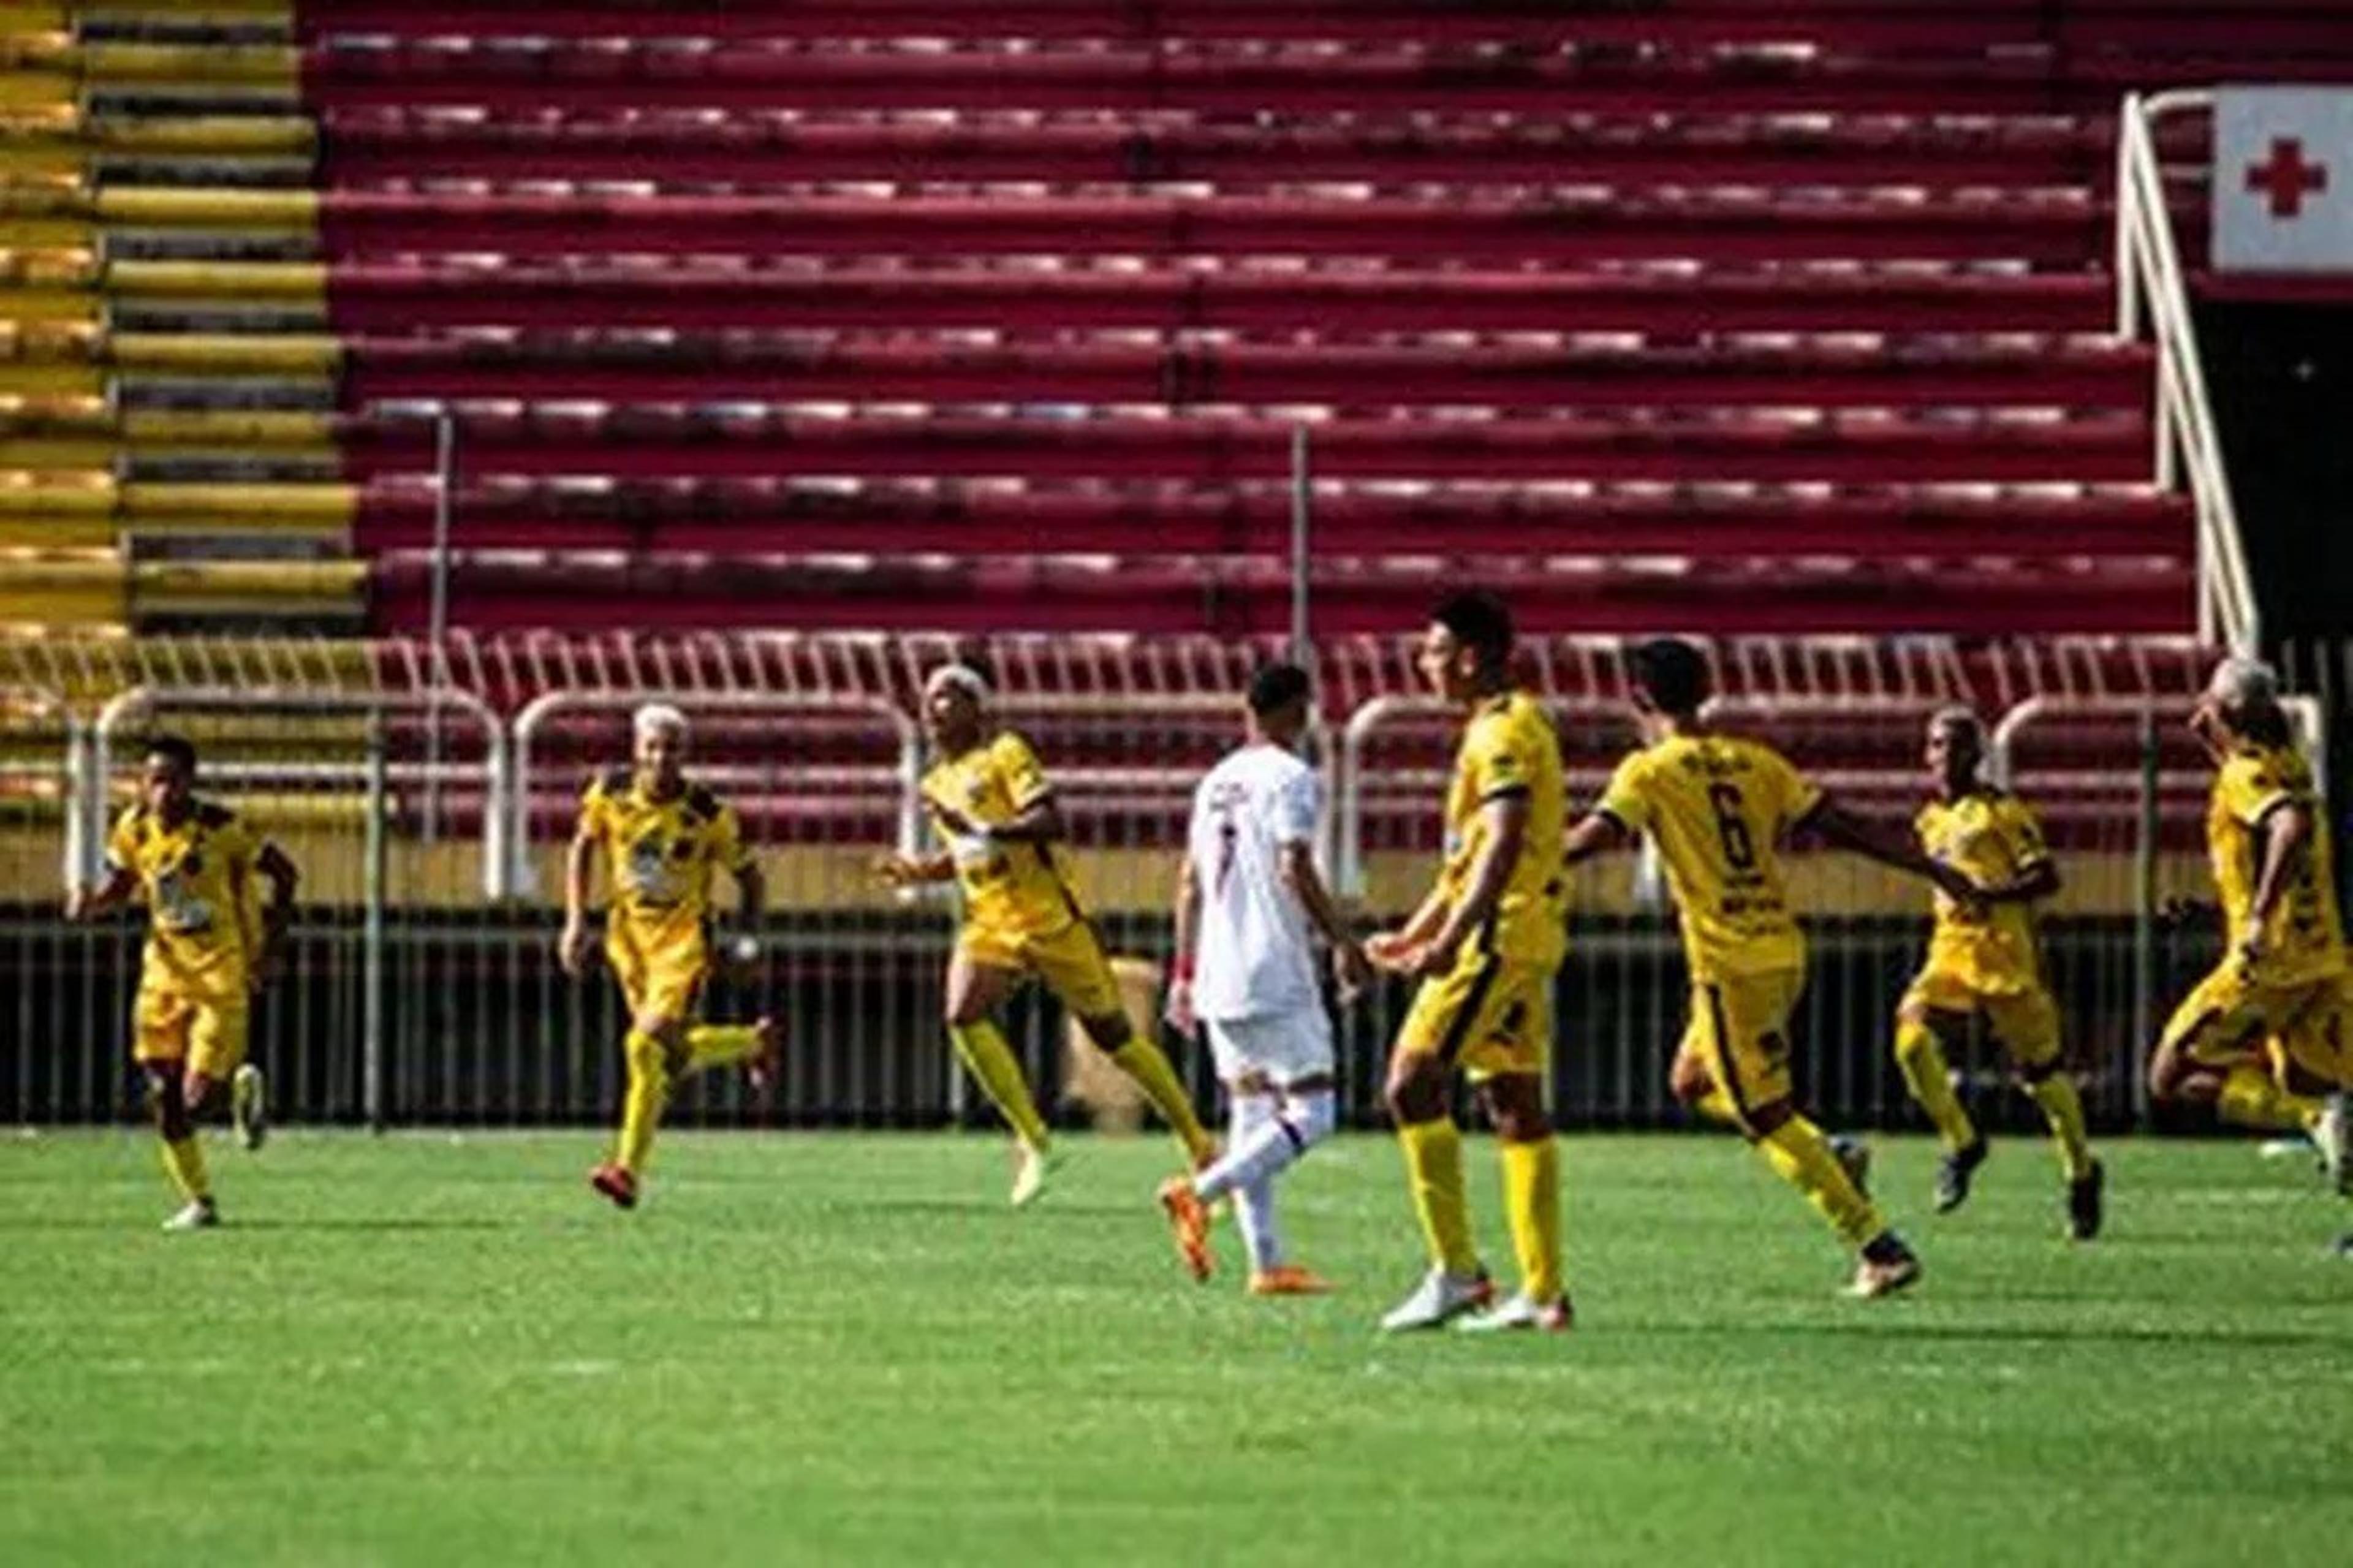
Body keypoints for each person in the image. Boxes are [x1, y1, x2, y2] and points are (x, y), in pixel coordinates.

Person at [1560, 638, 1973, 1298]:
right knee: (1693, 1080)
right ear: (1707, 688)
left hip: (1731, 965)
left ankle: (1877, 1244)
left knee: (1764, 1115)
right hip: (1781, 948)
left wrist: (1523, 863)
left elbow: (1596, 839)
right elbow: (1843, 826)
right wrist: (1928, 865)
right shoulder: (1757, 762)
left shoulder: (1648, 770)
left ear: (1638, 698)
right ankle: (1831, 1154)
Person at [875, 664, 1216, 1205]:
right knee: (962, 1011)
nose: (930, 708)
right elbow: (970, 853)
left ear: (976, 706)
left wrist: (982, 829)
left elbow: (1048, 820)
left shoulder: (1006, 752)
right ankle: (1034, 1139)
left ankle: (1198, 1142)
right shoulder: (936, 781)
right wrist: (924, 869)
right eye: (926, 699)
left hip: (1051, 916)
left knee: (1116, 1040)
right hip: (992, 920)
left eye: (945, 697)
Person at [1368, 591, 1572, 1333]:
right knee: (1514, 1103)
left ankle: (1457, 1271)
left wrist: (1453, 939)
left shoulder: (1503, 733)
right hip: (1518, 932)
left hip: (1499, 937)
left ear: (1470, 656)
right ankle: (1545, 1293)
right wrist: (1416, 928)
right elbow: (1467, 858)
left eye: (1432, 651)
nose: (1424, 665)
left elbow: (1503, 841)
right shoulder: (1503, 725)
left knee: (1412, 1082)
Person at [1159, 662, 1370, 1295]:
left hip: (1218, 973)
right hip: (1273, 969)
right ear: (1297, 710)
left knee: (1252, 1115)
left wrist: (1184, 973)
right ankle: (1198, 1193)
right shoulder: (1290, 776)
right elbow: (1294, 866)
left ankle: (1266, 1264)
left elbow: (1190, 883)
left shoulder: (1215, 781)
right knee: (1316, 1110)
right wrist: (1344, 942)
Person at [66, 734, 298, 1230]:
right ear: (143, 784)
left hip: (221, 977)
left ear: (191, 782)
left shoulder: (220, 828)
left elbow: (285, 872)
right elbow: (123, 885)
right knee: (160, 1093)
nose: (164, 790)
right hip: (163, 979)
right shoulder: (132, 827)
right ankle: (201, 1201)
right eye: (155, 780)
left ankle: (236, 1099)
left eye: (174, 779)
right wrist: (92, 904)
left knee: (194, 1100)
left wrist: (272, 949)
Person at [2147, 657, 2351, 1206]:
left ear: (2227, 709)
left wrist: (2257, 914)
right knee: (2320, 1084)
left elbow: (2288, 825)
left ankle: (2311, 1119)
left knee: (2168, 1077)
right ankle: (2322, 1120)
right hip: (2323, 955)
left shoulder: (2246, 775)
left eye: (2211, 700)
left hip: (2270, 963)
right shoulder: (2289, 763)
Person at [1894, 707, 2103, 1239]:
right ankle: (1963, 1141)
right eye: (1938, 745)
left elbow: (2046, 877)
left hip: (2007, 954)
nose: (1946, 756)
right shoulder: (1928, 820)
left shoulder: (2002, 813)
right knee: (1910, 1041)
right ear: (1926, 754)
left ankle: (2081, 1172)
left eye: (1958, 746)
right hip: (1950, 953)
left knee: (2043, 1079)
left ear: (1978, 755)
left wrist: (1989, 895)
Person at [561, 703, 778, 1210]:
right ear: (637, 750)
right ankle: (749, 1043)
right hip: (628, 938)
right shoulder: (610, 792)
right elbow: (582, 847)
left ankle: (626, 1169)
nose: (661, 758)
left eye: (672, 748)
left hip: (682, 940)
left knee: (648, 1037)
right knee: (657, 1052)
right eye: (652, 747)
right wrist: (576, 919)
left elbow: (750, 876)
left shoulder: (707, 813)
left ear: (686, 753)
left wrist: (748, 942)